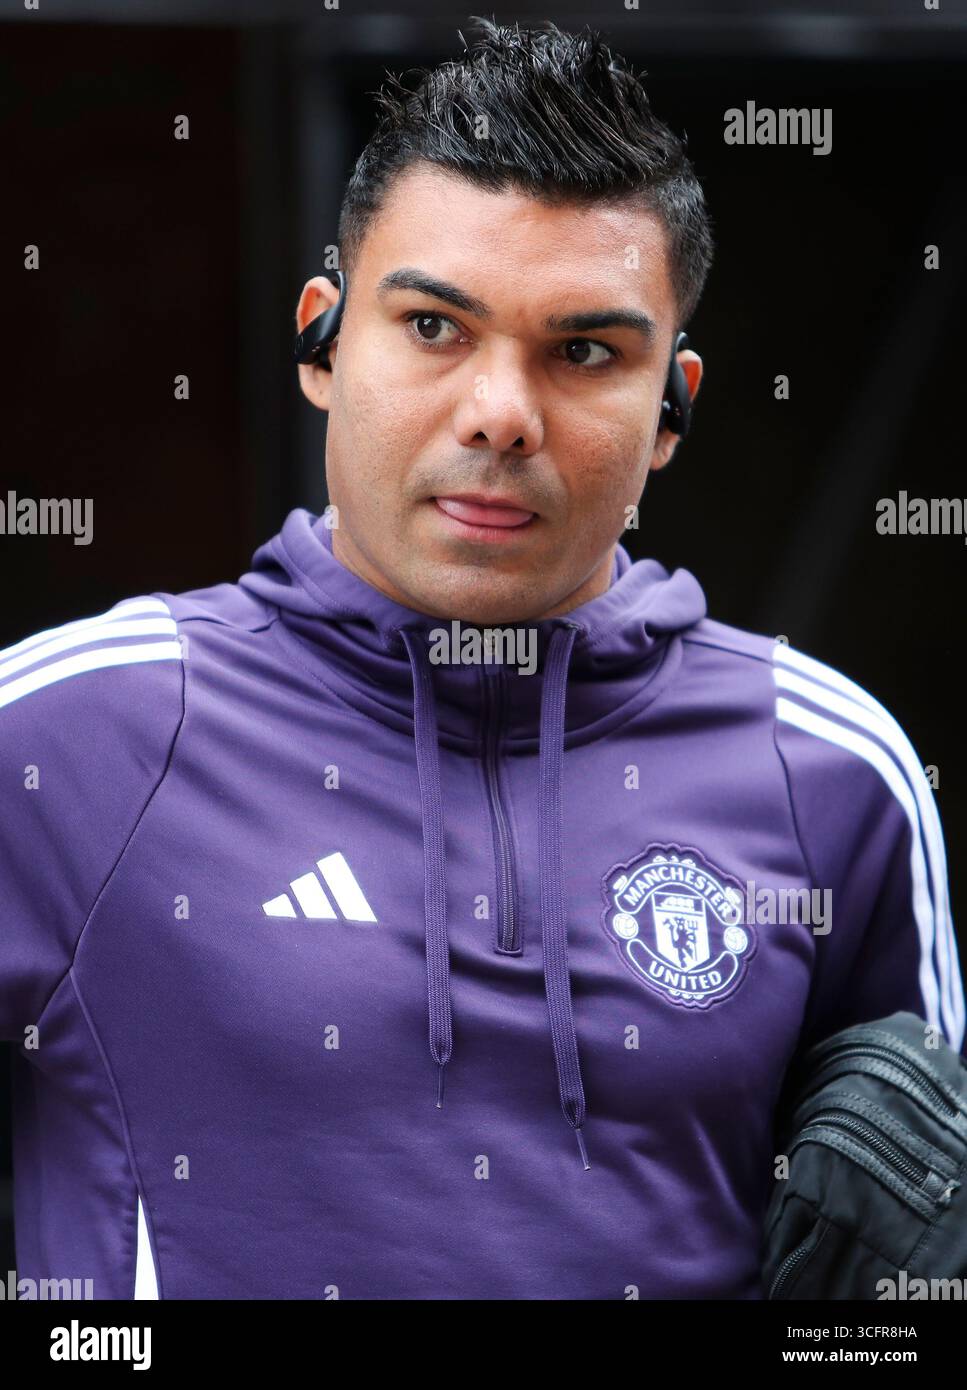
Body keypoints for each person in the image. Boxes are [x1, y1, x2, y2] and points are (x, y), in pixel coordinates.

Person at [1, 18, 962, 1302]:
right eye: (436, 327)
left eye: (582, 353)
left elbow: (909, 1253)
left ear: (670, 407)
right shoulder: (69, 735)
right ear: (323, 342)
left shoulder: (832, 769)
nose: (502, 413)